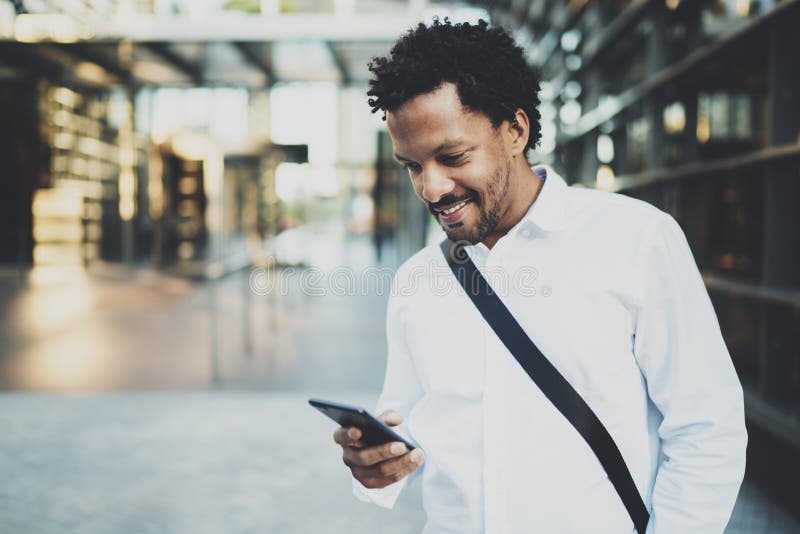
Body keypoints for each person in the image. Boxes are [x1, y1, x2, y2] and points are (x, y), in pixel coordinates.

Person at [332, 18, 747, 533]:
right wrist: (377, 467)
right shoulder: (418, 281)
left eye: (453, 156)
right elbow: (405, 432)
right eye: (412, 166)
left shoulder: (636, 240)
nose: (431, 187)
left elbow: (708, 429)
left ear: (516, 131)